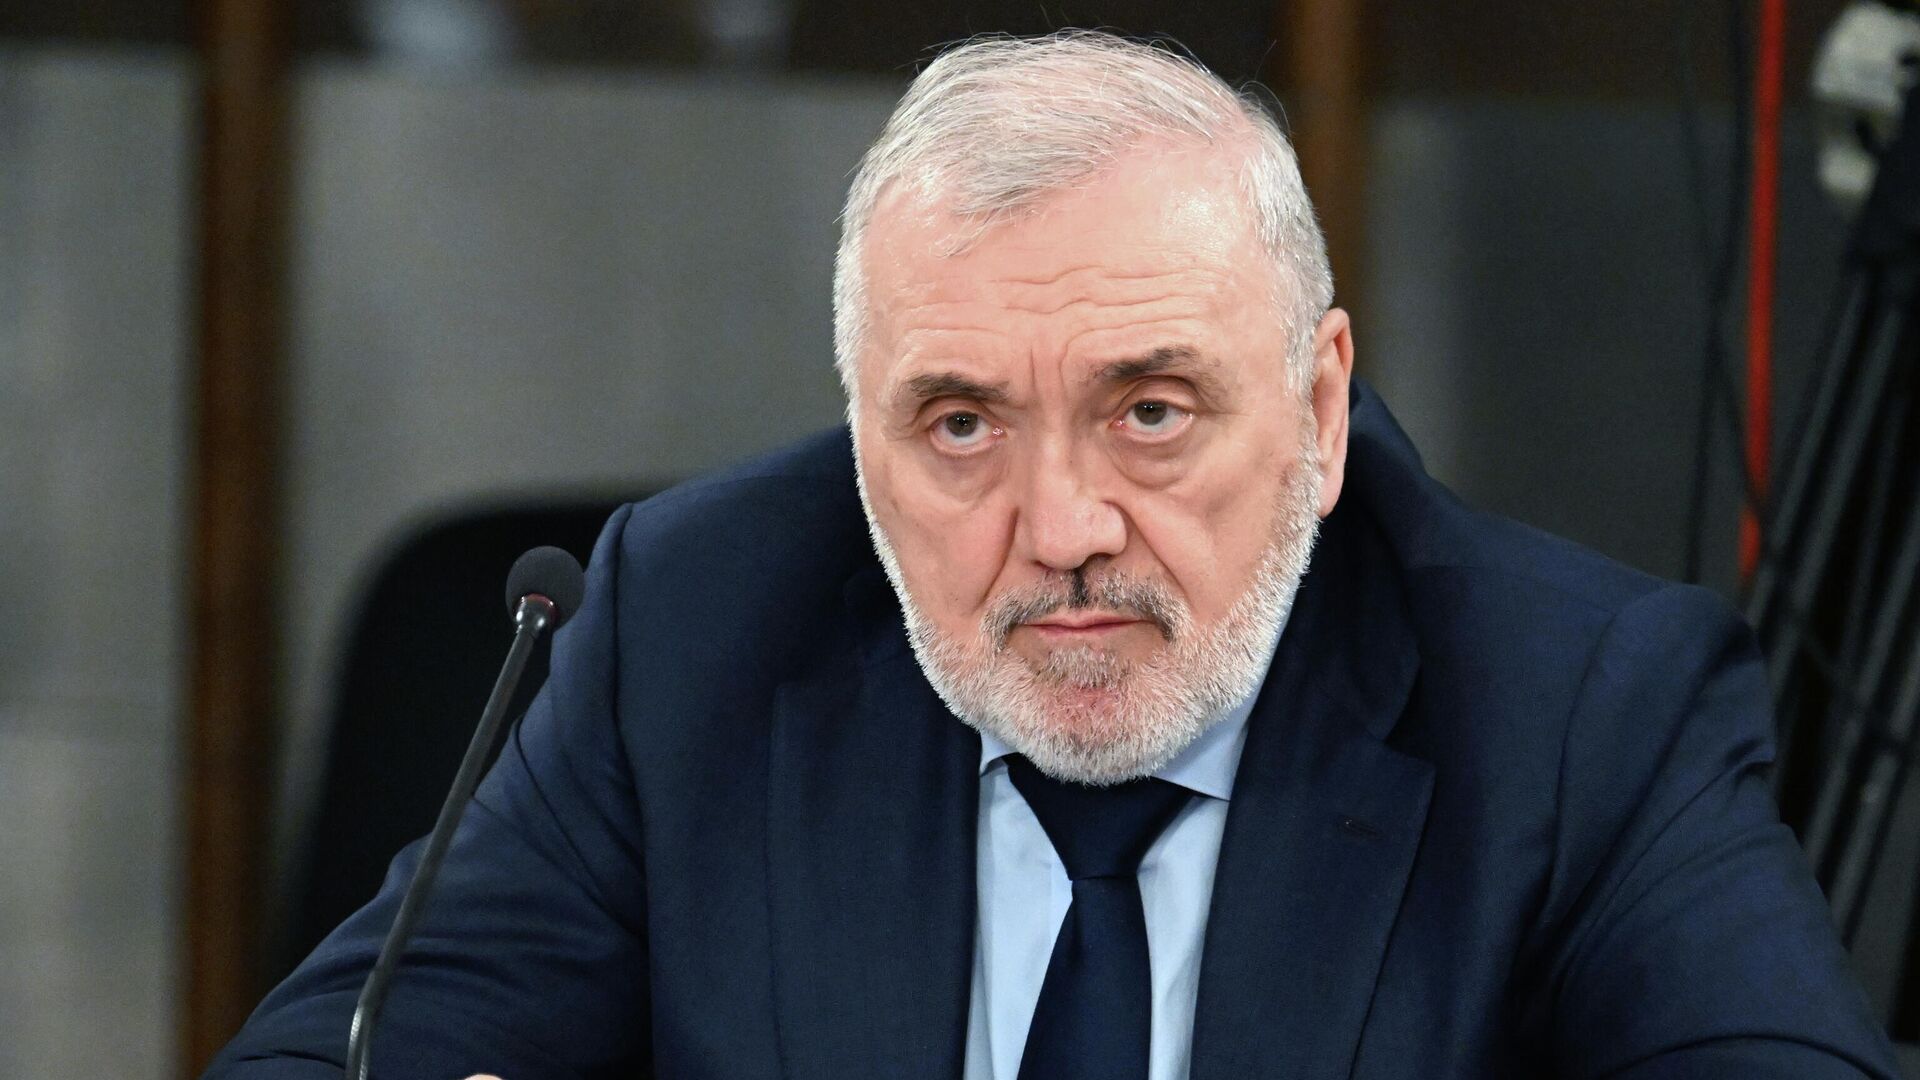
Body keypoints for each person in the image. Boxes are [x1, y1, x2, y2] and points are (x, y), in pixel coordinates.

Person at [207, 31, 1899, 1080]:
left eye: (1150, 412)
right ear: (862, 437)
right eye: (961, 427)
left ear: (1318, 413)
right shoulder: (694, 632)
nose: (1065, 530)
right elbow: (321, 1060)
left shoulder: (1580, 707)